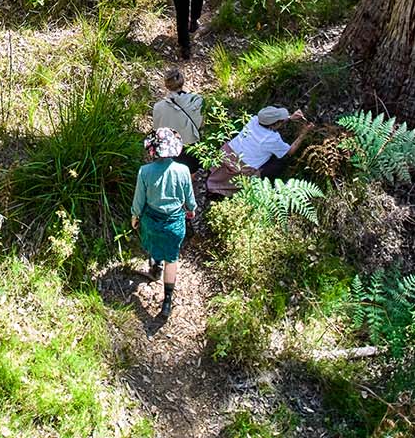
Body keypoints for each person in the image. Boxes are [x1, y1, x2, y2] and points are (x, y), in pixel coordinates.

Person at [131, 127, 197, 318]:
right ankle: (167, 302)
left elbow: (138, 200)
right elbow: (189, 199)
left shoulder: (145, 171)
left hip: (151, 220)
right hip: (175, 223)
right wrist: (191, 210)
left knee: (152, 241)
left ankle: (154, 266)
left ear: (152, 150)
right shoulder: (183, 170)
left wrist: (135, 216)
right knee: (172, 258)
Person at [205, 106, 315, 197]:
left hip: (227, 154)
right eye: (280, 121)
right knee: (279, 162)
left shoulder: (254, 120)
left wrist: (290, 118)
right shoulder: (272, 139)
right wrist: (304, 133)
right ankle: (265, 185)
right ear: (274, 125)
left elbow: (272, 123)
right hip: (240, 168)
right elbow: (290, 151)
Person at [152, 69, 204, 170]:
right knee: (189, 177)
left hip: (169, 147)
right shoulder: (198, 101)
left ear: (166, 85)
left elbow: (157, 130)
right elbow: (201, 124)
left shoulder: (158, 107)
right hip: (191, 146)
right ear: (182, 81)